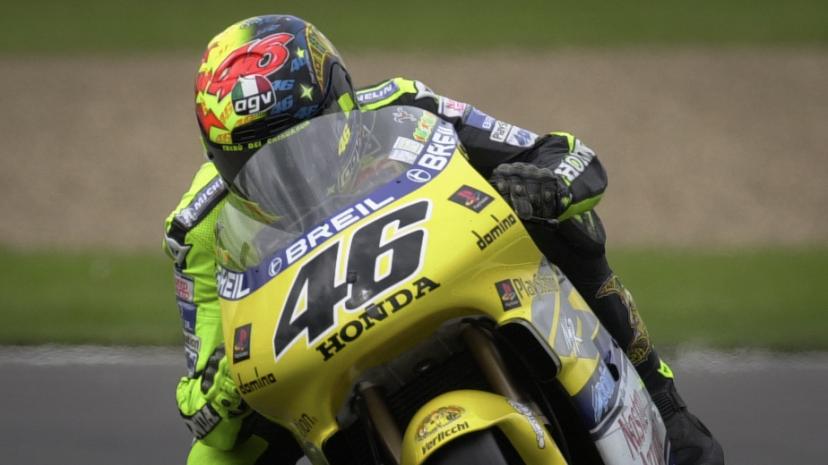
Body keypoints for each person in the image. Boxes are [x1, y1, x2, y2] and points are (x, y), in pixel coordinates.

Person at [163, 14, 724, 465]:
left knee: (566, 224)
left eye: (306, 140)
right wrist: (226, 388)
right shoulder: (196, 226)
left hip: (448, 276)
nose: (289, 172)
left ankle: (664, 403)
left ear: (343, 102)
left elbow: (563, 154)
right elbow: (200, 403)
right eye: (252, 161)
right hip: (318, 344)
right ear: (217, 158)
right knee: (216, 455)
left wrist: (547, 183)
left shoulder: (404, 106)